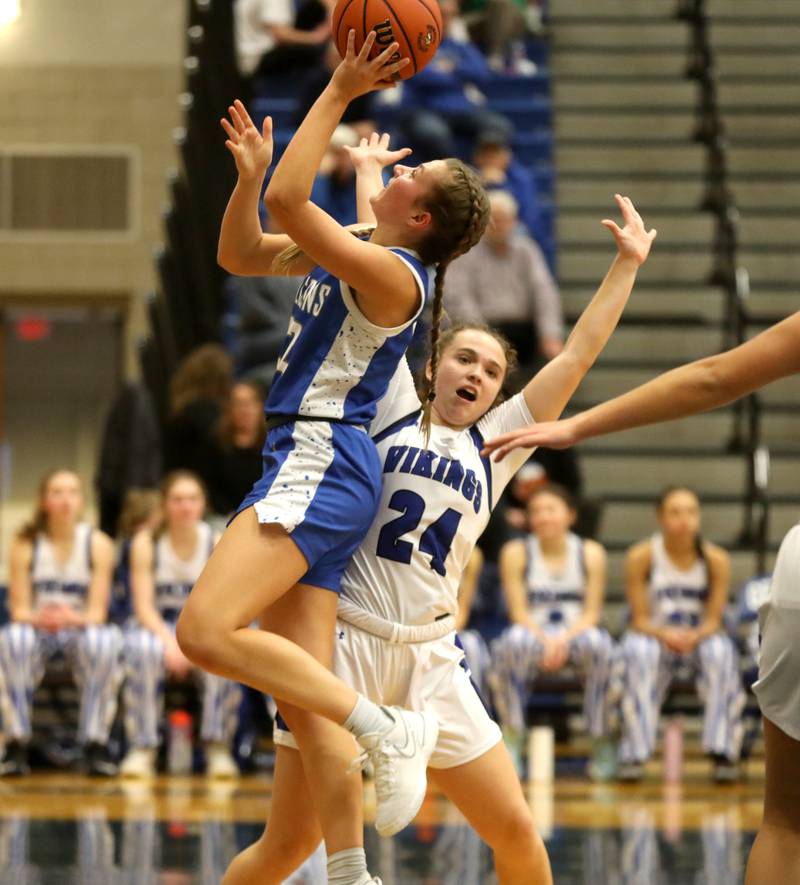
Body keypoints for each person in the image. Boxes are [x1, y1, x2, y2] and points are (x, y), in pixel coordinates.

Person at [223, 193, 656, 884]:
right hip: (345, 644)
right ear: (432, 366)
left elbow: (576, 355)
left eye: (490, 372)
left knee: (518, 832)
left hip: (431, 658)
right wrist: (373, 187)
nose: (477, 375)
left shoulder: (500, 443)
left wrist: (626, 267)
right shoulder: (392, 401)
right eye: (465, 360)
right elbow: (373, 285)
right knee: (287, 844)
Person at [178, 33, 492, 884]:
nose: (394, 174)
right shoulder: (356, 239)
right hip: (317, 463)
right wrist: (247, 180)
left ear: (421, 220)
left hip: (320, 456)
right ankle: (351, 869)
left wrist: (340, 87)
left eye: (408, 179)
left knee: (204, 630)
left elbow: (291, 199)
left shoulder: (397, 277)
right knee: (305, 691)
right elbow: (240, 252)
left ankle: (388, 728)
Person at [477, 310, 800, 881]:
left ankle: (651, 748)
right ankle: (583, 746)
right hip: (604, 634)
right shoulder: (633, 554)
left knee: (785, 822)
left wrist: (576, 427)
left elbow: (713, 377)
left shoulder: (702, 558)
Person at [0, 470, 123, 777]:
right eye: (57, 492)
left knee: (103, 640)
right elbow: (18, 610)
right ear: (44, 501)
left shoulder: (98, 544)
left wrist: (71, 618)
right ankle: (16, 743)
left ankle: (95, 743)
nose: (66, 499)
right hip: (37, 630)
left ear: (82, 501)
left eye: (72, 492)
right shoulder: (25, 543)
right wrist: (40, 618)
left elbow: (97, 613)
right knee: (13, 638)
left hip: (78, 631)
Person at [616, 486, 744, 782]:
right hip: (655, 636)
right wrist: (666, 634)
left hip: (697, 638)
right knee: (638, 651)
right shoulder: (642, 555)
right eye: (675, 512)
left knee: (721, 651)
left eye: (691, 512)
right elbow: (638, 619)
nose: (684, 519)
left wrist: (694, 636)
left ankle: (723, 752)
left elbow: (714, 619)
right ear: (661, 517)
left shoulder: (716, 559)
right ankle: (634, 753)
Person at [120, 471, 241, 779]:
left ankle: (218, 747)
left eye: (192, 499)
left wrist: (189, 641)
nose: (185, 506)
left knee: (223, 653)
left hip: (202, 627)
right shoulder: (146, 543)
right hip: (157, 626)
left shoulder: (215, 541)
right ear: (164, 505)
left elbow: (220, 606)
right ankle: (143, 748)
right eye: (177, 500)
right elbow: (144, 606)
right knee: (141, 650)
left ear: (202, 505)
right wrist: (170, 640)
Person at [489, 484, 616, 775]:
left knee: (600, 646)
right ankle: (512, 735)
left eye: (551, 510)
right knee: (512, 643)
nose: (544, 517)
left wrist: (563, 640)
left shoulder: (591, 552)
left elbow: (591, 613)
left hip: (576, 631)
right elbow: (518, 612)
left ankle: (601, 737)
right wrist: (545, 640)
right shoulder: (516, 552)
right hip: (533, 631)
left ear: (570, 515)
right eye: (536, 511)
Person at [445, 189, 563, 376]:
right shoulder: (466, 251)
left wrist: (550, 334)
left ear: (513, 222)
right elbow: (459, 298)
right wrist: (482, 336)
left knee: (553, 365)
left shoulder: (527, 250)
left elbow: (544, 292)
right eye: (493, 220)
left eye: (504, 219)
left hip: (525, 333)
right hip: (484, 327)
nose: (498, 226)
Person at [203, 381, 267, 520]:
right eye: (238, 404)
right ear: (229, 409)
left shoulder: (272, 441)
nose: (245, 410)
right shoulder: (216, 442)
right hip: (224, 517)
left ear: (260, 406)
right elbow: (210, 487)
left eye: (250, 403)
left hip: (264, 513)